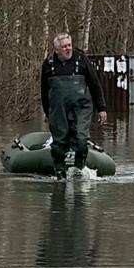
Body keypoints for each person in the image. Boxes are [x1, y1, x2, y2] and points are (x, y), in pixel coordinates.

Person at [39, 32, 110, 176]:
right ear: (56, 49)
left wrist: (102, 108)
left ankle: (79, 168)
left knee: (81, 139)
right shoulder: (48, 64)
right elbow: (44, 91)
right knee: (59, 143)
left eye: (69, 45)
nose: (68, 48)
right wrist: (47, 112)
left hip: (81, 107)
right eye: (64, 46)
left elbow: (95, 84)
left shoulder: (81, 59)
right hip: (58, 110)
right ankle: (59, 172)